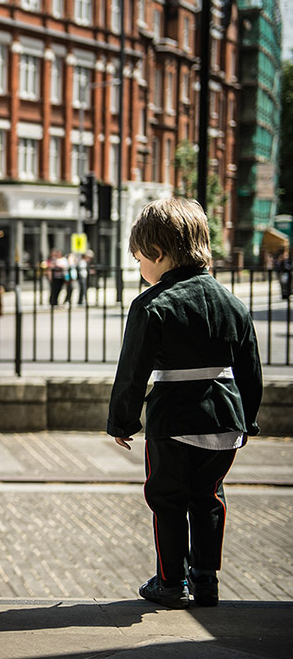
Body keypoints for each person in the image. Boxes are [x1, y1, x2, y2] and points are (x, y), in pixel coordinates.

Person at [107, 197, 262, 610]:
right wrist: (249, 420)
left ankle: (170, 582)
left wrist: (122, 422)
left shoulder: (151, 305)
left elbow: (132, 374)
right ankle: (206, 580)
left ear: (157, 255)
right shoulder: (234, 303)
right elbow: (251, 370)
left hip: (173, 420)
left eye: (141, 258)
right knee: (209, 498)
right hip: (226, 419)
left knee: (168, 500)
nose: (141, 267)